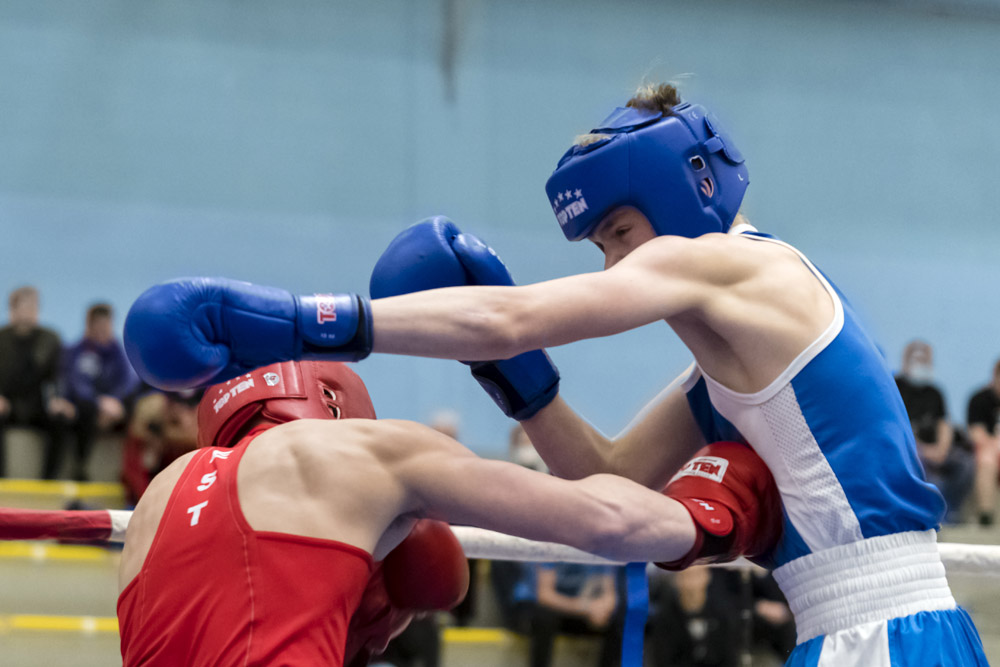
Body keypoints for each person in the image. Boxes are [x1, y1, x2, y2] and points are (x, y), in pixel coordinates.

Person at [122, 83, 985, 664]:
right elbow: (606, 473)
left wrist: (293, 322)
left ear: (687, 187)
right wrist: (514, 378)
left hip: (879, 627)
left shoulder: (739, 263)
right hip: (864, 627)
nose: (615, 265)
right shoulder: (730, 368)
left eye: (619, 234)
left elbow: (513, 316)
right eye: (602, 247)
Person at [118, 358, 781, 666]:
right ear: (340, 405)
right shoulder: (362, 451)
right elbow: (599, 517)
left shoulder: (160, 493)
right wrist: (704, 521)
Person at [894, 340, 974, 524]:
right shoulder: (895, 388)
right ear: (906, 361)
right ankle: (929, 516)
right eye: (918, 360)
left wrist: (942, 449)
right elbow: (896, 426)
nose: (922, 365)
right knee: (927, 472)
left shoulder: (934, 392)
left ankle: (952, 511)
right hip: (911, 450)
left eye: (926, 360)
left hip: (935, 449)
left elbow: (944, 423)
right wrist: (922, 449)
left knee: (966, 464)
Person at [0, 285, 73, 478]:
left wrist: (57, 399)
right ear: (12, 309)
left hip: (38, 404)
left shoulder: (50, 339)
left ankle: (50, 479)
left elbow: (57, 374)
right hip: (8, 404)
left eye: (31, 307)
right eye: (22, 307)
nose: (27, 313)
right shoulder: (2, 339)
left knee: (60, 419)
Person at [61, 303, 140, 481]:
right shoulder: (76, 352)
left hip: (114, 408)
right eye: (98, 325)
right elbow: (76, 384)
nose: (103, 330)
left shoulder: (119, 351)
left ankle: (132, 473)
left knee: (137, 409)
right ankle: (80, 466)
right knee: (84, 408)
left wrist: (115, 401)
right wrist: (99, 403)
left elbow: (129, 381)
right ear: (89, 325)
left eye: (106, 325)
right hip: (89, 407)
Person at [967, 359, 1000, 527]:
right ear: (995, 377)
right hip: (988, 452)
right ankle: (985, 514)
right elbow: (976, 434)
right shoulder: (980, 399)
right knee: (987, 458)